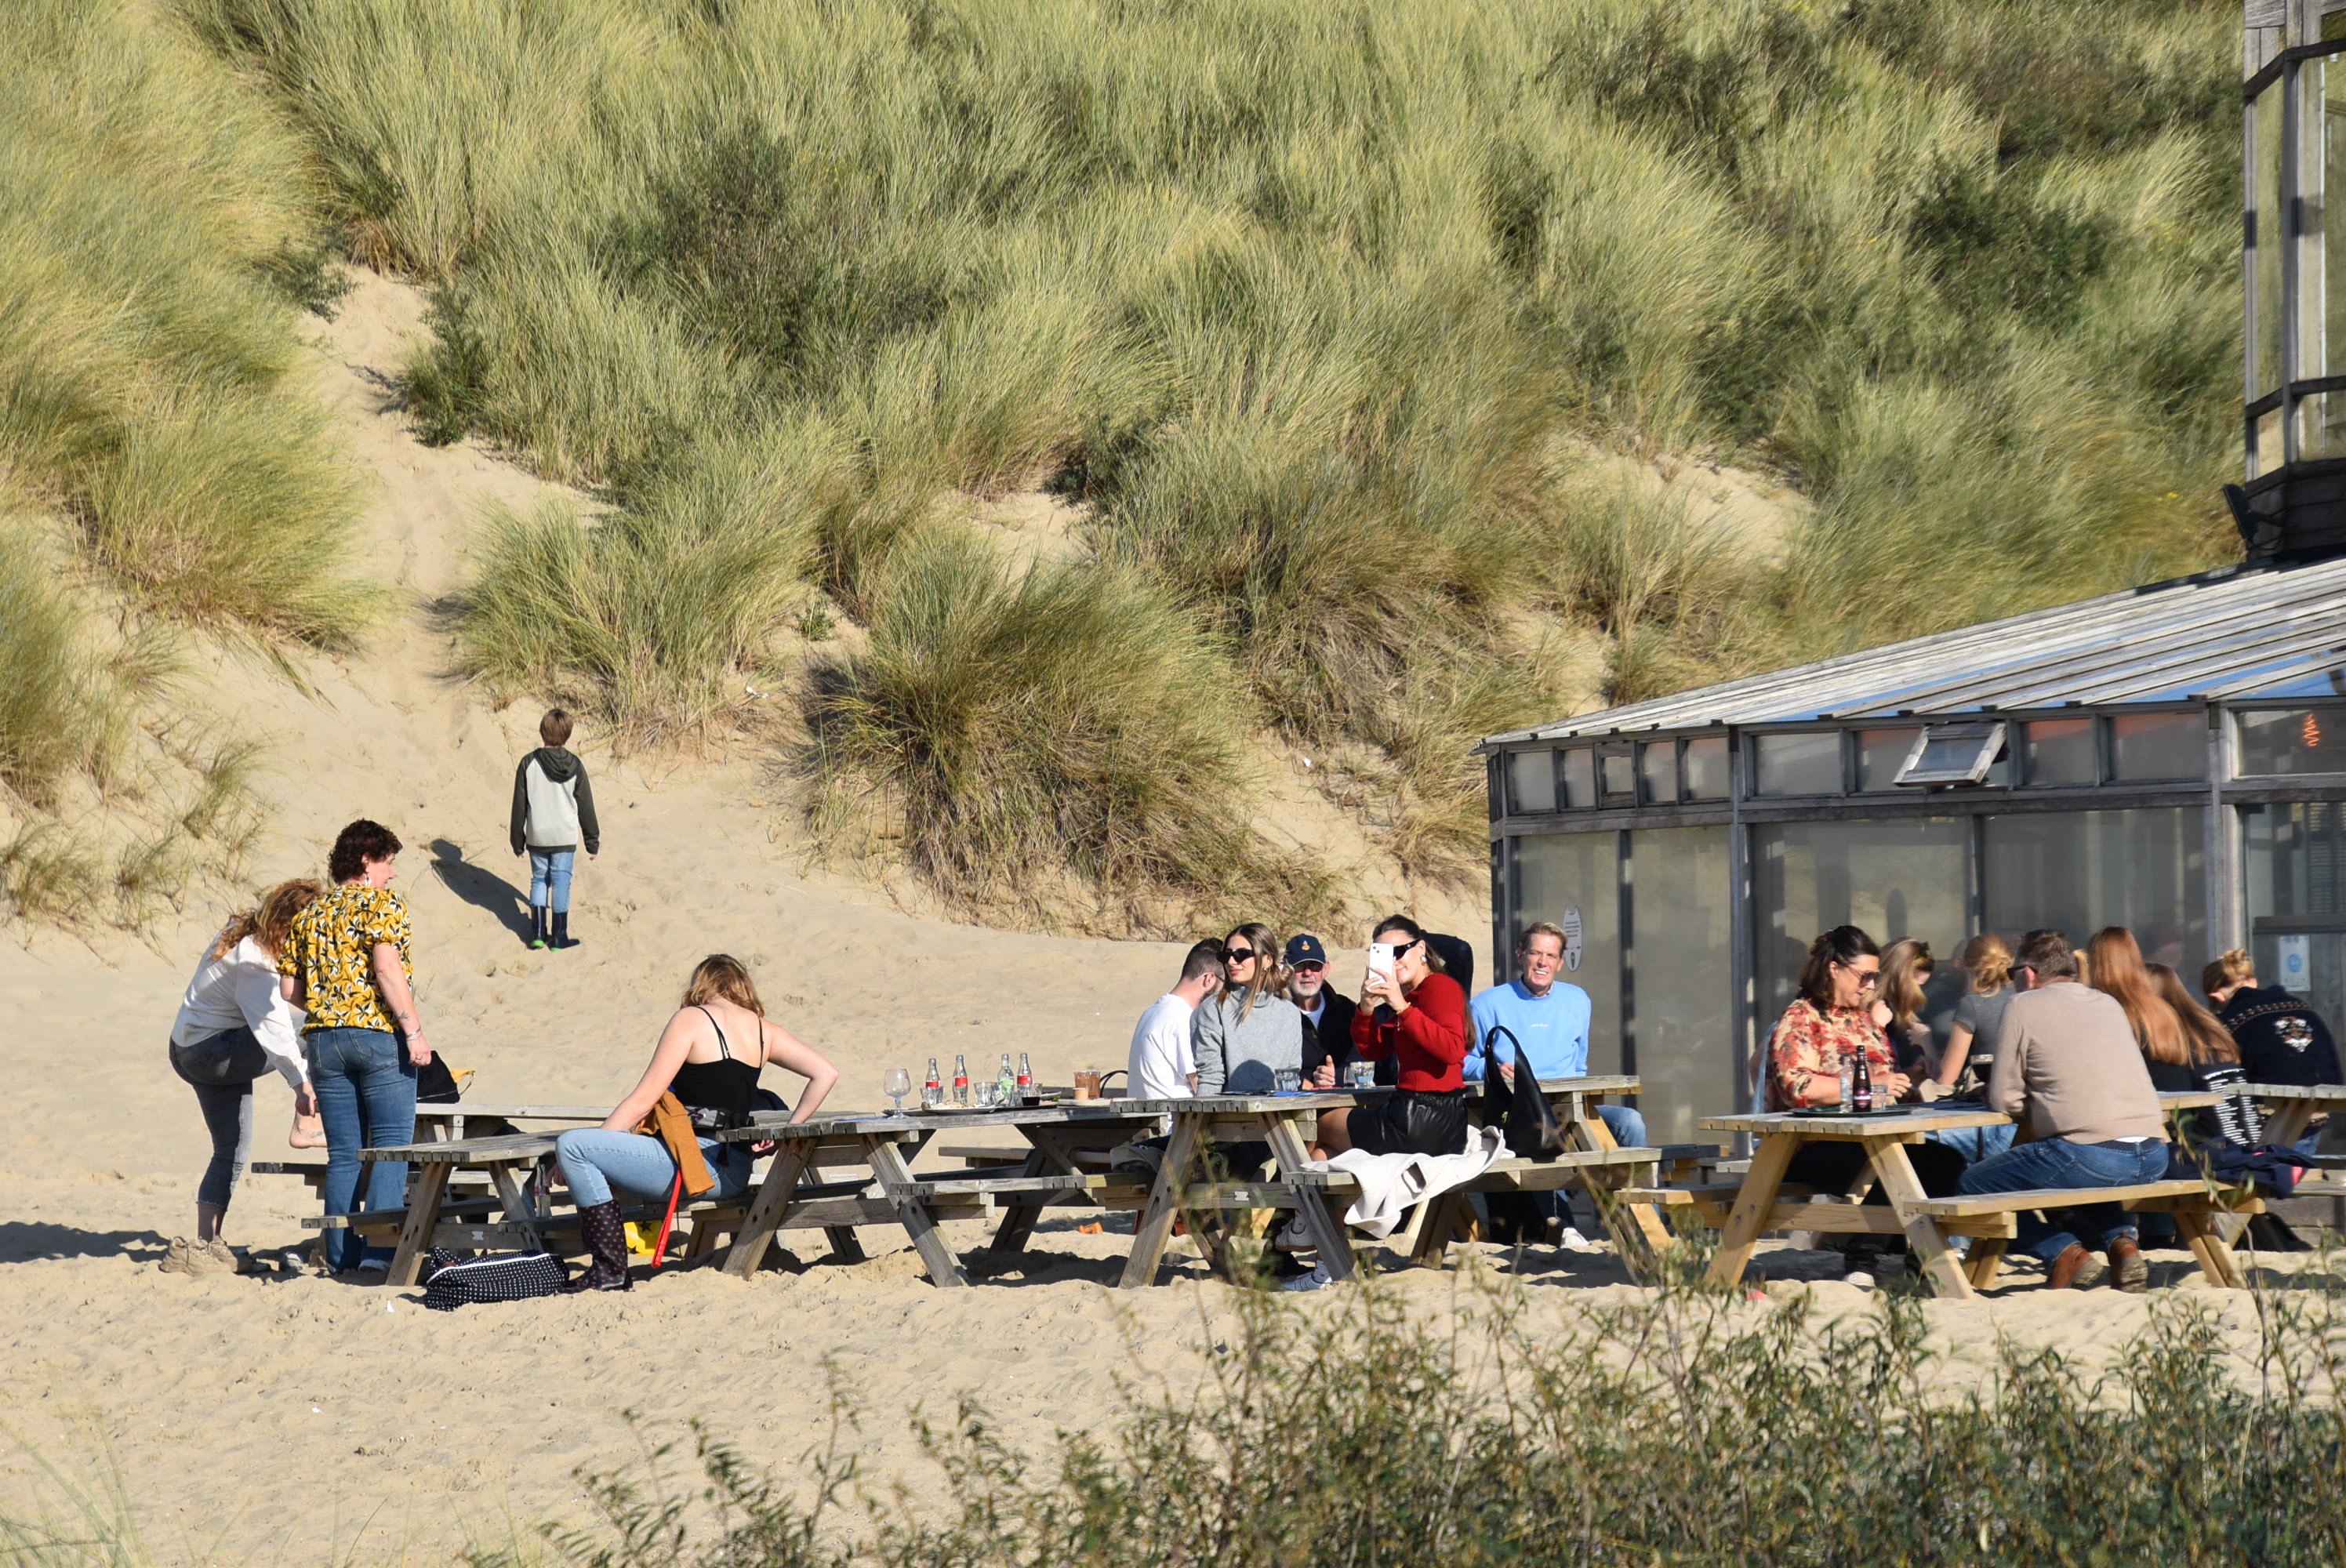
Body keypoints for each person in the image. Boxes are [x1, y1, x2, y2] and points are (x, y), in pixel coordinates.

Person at [555, 955, 839, 1292]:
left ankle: (610, 1269)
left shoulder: (691, 1019)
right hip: (734, 1171)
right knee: (583, 1150)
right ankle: (609, 1268)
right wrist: (789, 1130)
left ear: (701, 985)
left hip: (695, 1167)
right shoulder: (765, 1030)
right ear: (742, 986)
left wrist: (588, 1151)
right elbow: (826, 1073)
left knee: (572, 1146)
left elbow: (643, 1099)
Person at [1954, 929, 2171, 1292]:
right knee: (2081, 1171)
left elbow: (2004, 1099)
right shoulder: (2107, 1003)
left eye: (2012, 974)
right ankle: (2122, 1242)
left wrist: (2039, 1104)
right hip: (2153, 1152)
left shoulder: (2022, 1006)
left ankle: (2063, 1251)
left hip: (2091, 1154)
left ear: (2028, 973)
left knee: (1973, 1183)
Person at [278, 820, 432, 1276]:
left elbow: (289, 990)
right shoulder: (380, 905)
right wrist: (414, 1031)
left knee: (343, 1153)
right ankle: (378, 1254)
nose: (392, 873)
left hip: (323, 1041)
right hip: (376, 1035)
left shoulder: (310, 915)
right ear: (366, 861)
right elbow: (387, 970)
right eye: (388, 862)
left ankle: (341, 1255)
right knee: (390, 1146)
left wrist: (331, 1006)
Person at [1285, 916, 1472, 1293]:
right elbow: (1372, 1049)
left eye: (1399, 951)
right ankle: (1324, 1261)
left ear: (1421, 950)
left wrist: (1401, 1006)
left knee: (1320, 1126)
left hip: (1427, 1116)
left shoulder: (1440, 988)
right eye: (1383, 953)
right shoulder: (1413, 997)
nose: (1393, 960)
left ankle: (1305, 1222)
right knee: (1322, 1150)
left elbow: (1453, 1049)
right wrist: (1368, 1008)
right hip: (1419, 1116)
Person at [162, 879, 323, 1277]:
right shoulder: (255, 960)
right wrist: (302, 1087)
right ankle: (309, 1123)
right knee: (318, 1028)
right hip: (212, 1054)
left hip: (191, 1048)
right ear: (292, 924)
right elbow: (275, 1032)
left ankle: (206, 1245)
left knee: (231, 1148)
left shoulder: (243, 934)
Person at [1763, 927, 1964, 1228]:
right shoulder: (1801, 1018)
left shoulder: (1863, 1019)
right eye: (1864, 976)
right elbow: (1799, 1087)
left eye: (1875, 977)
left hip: (1869, 1138)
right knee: (1901, 1169)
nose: (1870, 986)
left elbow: (1880, 1084)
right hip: (1811, 1145)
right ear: (1834, 969)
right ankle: (1865, 1259)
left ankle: (1906, 1259)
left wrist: (1908, 1079)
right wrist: (1875, 1084)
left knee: (1947, 1162)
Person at [1465, 922, 1645, 1149]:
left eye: (1551, 955)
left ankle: (1635, 1185)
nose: (1543, 962)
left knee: (1630, 1122)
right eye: (1535, 953)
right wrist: (1489, 1070)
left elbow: (1580, 1065)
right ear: (1520, 955)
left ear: (1560, 963)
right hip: (1516, 1112)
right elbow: (1460, 1060)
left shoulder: (1578, 1001)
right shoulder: (1486, 1004)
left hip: (1569, 1107)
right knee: (1551, 1155)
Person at [510, 707, 601, 951]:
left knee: (540, 879)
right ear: (568, 734)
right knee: (562, 881)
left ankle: (538, 933)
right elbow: (586, 806)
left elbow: (519, 805)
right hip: (564, 836)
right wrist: (592, 842)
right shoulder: (576, 765)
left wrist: (517, 840)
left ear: (542, 732)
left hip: (538, 835)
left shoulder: (528, 763)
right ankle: (559, 937)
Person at [2205, 947, 2343, 1090]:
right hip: (2326, 1099)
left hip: (2272, 1103)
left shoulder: (2230, 1021)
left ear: (2216, 996)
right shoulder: (2301, 1006)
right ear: (2253, 982)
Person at [1193, 923, 1306, 1096]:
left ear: (1267, 960)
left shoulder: (1289, 1013)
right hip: (1232, 1118)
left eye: (1241, 955)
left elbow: (1291, 1079)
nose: (1231, 961)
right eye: (1226, 955)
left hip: (1282, 1116)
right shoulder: (1212, 1010)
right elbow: (1210, 1080)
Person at [1130, 940, 1224, 1099]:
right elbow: (1205, 1088)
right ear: (1209, 979)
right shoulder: (1184, 1018)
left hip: (1149, 1120)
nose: (1226, 994)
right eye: (1226, 985)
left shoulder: (1153, 1011)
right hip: (1175, 1122)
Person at [1933, 935, 2015, 1093]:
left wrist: (1926, 1043)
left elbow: (1945, 1082)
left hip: (1989, 1103)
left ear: (1967, 967)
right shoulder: (2026, 997)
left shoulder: (1972, 1005)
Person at [1292, 934, 1375, 1088]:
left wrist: (1333, 1077)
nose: (1308, 973)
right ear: (1286, 971)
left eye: (1315, 965)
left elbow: (1363, 1062)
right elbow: (1277, 1069)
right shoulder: (1278, 1014)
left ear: (1326, 969)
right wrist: (1310, 1083)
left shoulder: (1345, 1009)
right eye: (1300, 965)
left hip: (1345, 1098)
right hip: (1296, 1104)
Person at [1871, 938, 1936, 1077]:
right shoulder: (1879, 1011)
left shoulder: (1904, 1013)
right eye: (1917, 985)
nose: (1921, 993)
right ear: (1902, 980)